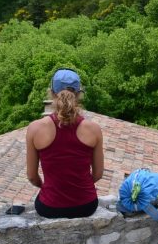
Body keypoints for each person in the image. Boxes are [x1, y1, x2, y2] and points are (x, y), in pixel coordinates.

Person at [26, 68, 104, 218]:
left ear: (52, 93)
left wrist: (47, 187)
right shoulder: (93, 129)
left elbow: (31, 176)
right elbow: (98, 174)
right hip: (86, 205)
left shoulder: (35, 129)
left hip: (49, 207)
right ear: (79, 94)